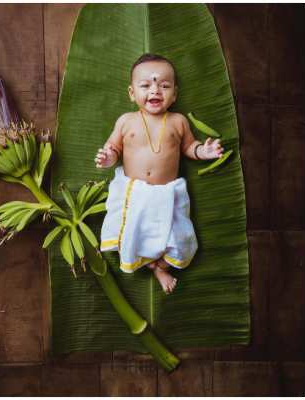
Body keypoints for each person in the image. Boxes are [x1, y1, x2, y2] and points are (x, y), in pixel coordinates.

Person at [95, 53, 223, 294]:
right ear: (132, 93)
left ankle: (160, 265)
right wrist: (107, 157)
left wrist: (203, 151)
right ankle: (154, 266)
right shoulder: (126, 121)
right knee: (133, 235)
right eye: (145, 85)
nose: (155, 90)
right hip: (135, 193)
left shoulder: (178, 121)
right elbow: (113, 147)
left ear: (174, 94)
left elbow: (188, 147)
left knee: (182, 240)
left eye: (164, 86)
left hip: (168, 194)